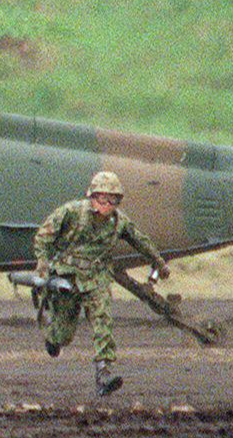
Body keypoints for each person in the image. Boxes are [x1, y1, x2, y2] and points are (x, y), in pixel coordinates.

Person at [33, 170, 168, 397]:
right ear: (92, 196)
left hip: (97, 278)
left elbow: (141, 241)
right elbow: (43, 237)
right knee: (63, 334)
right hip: (67, 278)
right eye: (102, 198)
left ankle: (103, 374)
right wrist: (43, 263)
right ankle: (53, 338)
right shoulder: (71, 212)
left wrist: (159, 262)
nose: (106, 204)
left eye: (112, 200)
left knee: (102, 319)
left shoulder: (119, 222)